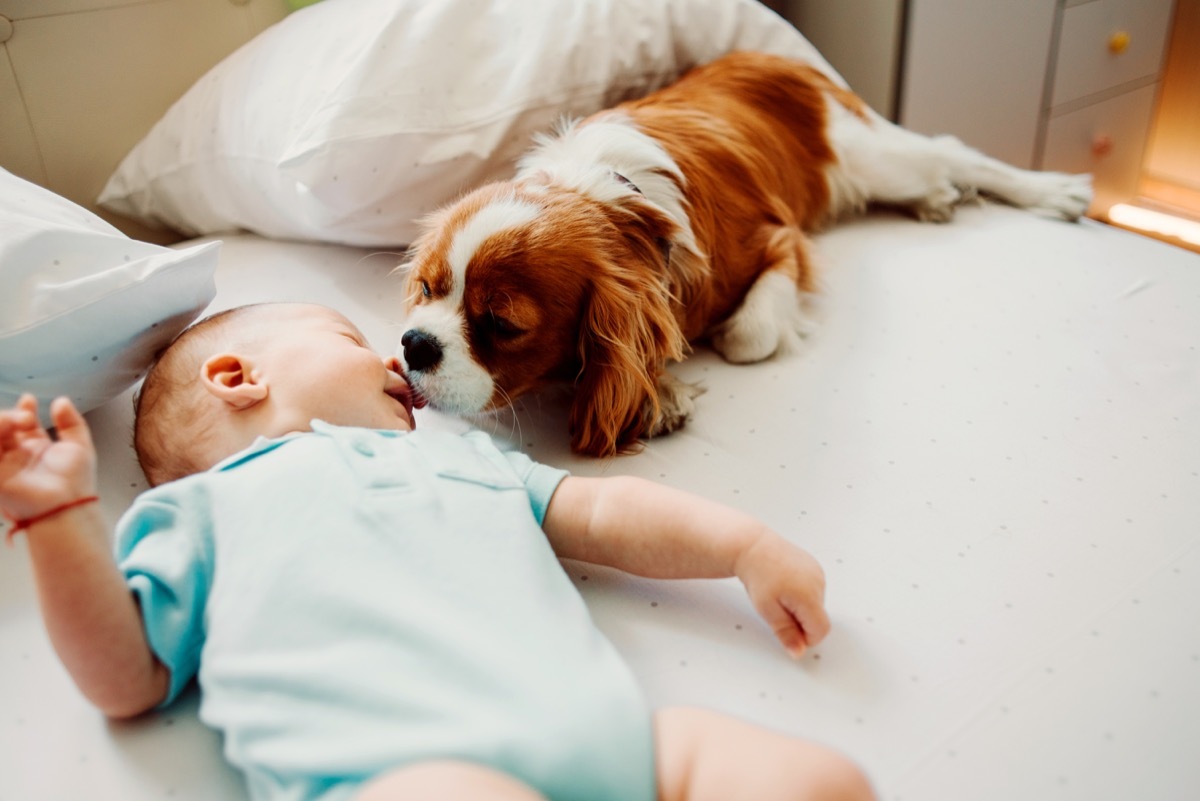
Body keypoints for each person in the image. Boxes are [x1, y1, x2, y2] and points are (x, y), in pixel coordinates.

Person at [0, 302, 875, 801]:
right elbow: (126, 677)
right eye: (350, 341)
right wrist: (60, 519)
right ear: (238, 378)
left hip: (617, 749)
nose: (391, 357)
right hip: (404, 773)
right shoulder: (202, 511)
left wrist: (743, 544)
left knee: (815, 782)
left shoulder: (463, 456)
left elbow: (605, 511)